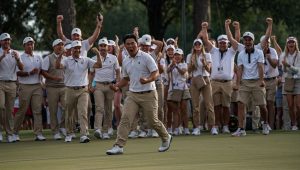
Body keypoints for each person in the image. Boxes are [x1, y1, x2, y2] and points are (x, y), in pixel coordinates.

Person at [106, 34, 172, 155]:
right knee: (125, 118)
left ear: (137, 44)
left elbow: (156, 73)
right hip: (133, 94)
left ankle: (166, 137)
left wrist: (147, 80)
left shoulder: (146, 57)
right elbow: (125, 79)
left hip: (149, 93)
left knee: (153, 121)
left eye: (133, 43)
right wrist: (116, 86)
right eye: (128, 44)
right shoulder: (125, 61)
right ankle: (119, 146)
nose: (130, 46)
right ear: (125, 46)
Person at [56, 40, 102, 143]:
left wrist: (98, 54)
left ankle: (83, 134)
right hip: (70, 89)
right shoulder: (67, 60)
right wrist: (60, 54)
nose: (77, 50)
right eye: (75, 48)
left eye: (78, 48)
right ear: (71, 50)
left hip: (83, 90)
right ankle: (69, 133)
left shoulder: (85, 60)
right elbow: (58, 66)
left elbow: (99, 65)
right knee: (69, 112)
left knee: (83, 112)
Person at [200, 19, 239, 134]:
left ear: (227, 43)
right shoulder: (214, 50)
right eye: (220, 42)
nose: (222, 44)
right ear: (217, 43)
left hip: (227, 82)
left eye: (224, 42)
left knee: (226, 106)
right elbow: (205, 40)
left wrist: (236, 28)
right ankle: (216, 126)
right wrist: (204, 28)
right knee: (216, 106)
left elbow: (236, 40)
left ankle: (226, 126)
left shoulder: (232, 51)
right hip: (215, 82)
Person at [232, 31, 270, 136]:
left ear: (253, 41)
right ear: (243, 41)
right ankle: (241, 129)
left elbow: (261, 67)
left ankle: (265, 124)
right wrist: (237, 83)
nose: (247, 42)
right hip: (245, 82)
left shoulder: (259, 52)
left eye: (249, 40)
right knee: (240, 104)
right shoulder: (240, 54)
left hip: (257, 81)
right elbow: (239, 70)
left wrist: (262, 80)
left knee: (262, 105)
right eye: (246, 40)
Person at [14, 37, 46, 141]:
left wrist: (41, 80)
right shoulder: (20, 57)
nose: (30, 46)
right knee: (22, 110)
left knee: (37, 110)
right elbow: (17, 73)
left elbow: (42, 71)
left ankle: (38, 133)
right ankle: (14, 133)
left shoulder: (39, 57)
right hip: (24, 86)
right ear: (24, 46)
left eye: (31, 44)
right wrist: (29, 73)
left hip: (37, 86)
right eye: (28, 44)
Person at [186, 35, 218, 135]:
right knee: (195, 106)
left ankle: (212, 127)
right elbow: (188, 70)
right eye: (195, 44)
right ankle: (197, 127)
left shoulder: (207, 55)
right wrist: (191, 64)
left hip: (205, 79)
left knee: (209, 104)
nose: (197, 45)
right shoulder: (190, 56)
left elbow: (209, 70)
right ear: (193, 46)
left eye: (199, 44)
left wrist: (204, 63)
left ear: (202, 45)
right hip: (195, 80)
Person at [90, 37, 120, 139]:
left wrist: (117, 85)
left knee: (108, 110)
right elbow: (91, 73)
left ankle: (106, 131)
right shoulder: (93, 59)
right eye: (101, 46)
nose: (102, 48)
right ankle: (98, 129)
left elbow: (118, 72)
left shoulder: (113, 58)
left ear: (108, 47)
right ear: (98, 47)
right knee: (99, 108)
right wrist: (90, 85)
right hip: (98, 85)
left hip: (110, 86)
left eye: (104, 46)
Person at [0, 33, 23, 142]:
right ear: (1, 42)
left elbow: (21, 68)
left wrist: (18, 59)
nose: (7, 42)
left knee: (9, 110)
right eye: (5, 40)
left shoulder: (15, 53)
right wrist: (2, 56)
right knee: (1, 107)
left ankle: (9, 134)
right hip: (0, 83)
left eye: (8, 40)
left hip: (12, 84)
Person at [41, 39, 66, 140]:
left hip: (64, 86)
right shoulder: (48, 58)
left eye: (62, 45)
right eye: (58, 45)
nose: (60, 47)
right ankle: (55, 131)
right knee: (53, 110)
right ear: (53, 47)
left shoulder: (65, 58)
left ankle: (63, 126)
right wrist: (53, 78)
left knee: (67, 107)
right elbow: (43, 72)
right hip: (51, 87)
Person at [166, 48, 191, 135]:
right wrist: (172, 65)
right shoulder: (170, 64)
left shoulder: (184, 64)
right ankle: (176, 129)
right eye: (175, 55)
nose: (177, 56)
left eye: (178, 55)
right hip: (175, 89)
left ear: (182, 56)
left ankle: (186, 128)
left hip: (184, 89)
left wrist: (176, 65)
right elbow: (167, 71)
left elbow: (183, 73)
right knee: (175, 110)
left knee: (184, 109)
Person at [280, 36, 300, 131]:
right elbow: (283, 70)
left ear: (295, 44)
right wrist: (285, 67)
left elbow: (298, 71)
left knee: (298, 105)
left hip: (298, 80)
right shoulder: (283, 55)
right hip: (288, 80)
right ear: (287, 44)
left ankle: (297, 122)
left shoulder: (299, 55)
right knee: (290, 105)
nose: (291, 44)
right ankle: (294, 124)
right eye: (289, 43)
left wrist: (288, 66)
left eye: (293, 42)